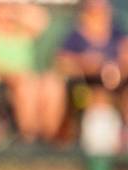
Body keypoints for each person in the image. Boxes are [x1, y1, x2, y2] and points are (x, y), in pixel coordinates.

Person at [0, 0, 65, 148]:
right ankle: (29, 138)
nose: (2, 9)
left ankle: (49, 138)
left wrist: (17, 11)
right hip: (2, 85)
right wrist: (13, 77)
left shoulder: (22, 30)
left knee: (52, 84)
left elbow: (42, 19)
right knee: (26, 87)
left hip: (30, 80)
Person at [55, 0, 128, 151]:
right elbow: (62, 63)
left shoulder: (118, 34)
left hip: (116, 88)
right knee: (96, 100)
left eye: (102, 10)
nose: (99, 15)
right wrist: (86, 64)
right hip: (85, 89)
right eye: (94, 10)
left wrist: (116, 70)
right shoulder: (75, 37)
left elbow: (125, 58)